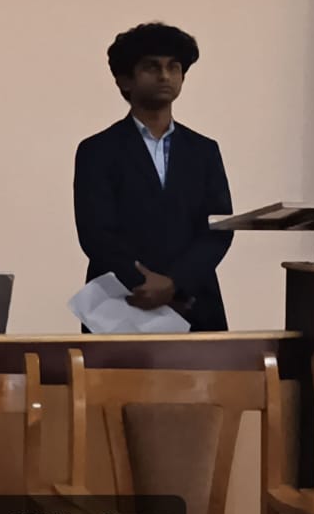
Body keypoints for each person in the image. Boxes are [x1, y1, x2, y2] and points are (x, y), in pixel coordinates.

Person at [73, 22, 233, 332]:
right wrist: (144, 283)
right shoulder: (97, 150)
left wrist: (175, 283)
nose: (165, 75)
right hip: (123, 303)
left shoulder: (204, 150)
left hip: (195, 302)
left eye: (174, 67)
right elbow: (96, 233)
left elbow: (218, 228)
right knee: (117, 369)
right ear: (124, 79)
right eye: (152, 67)